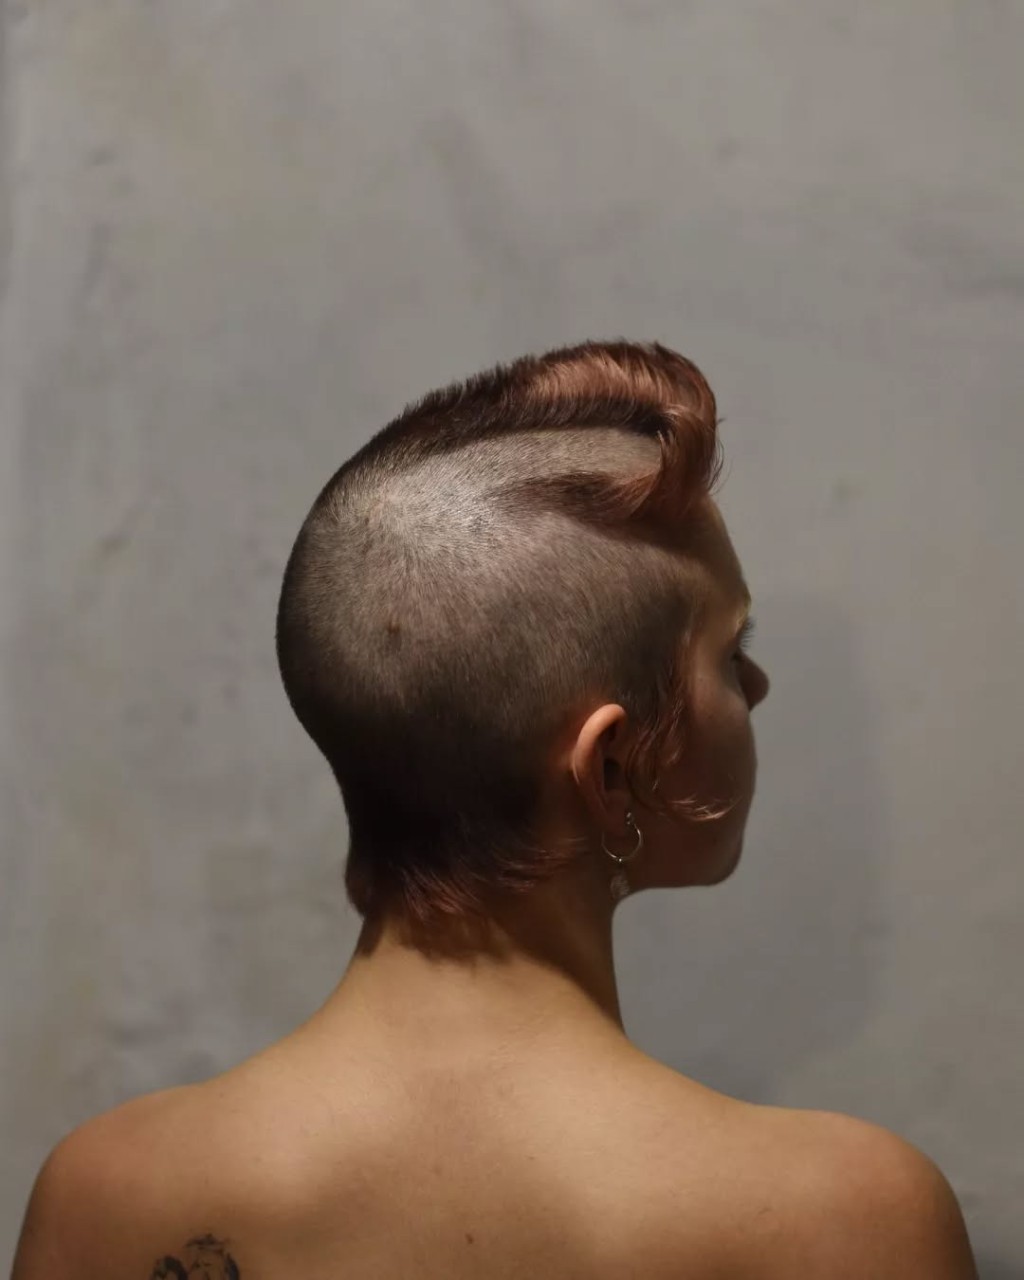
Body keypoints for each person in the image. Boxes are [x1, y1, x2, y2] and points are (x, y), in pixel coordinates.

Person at [13, 340, 977, 1279]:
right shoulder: (840, 1222)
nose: (757, 688)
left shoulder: (107, 1197)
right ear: (608, 771)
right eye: (732, 652)